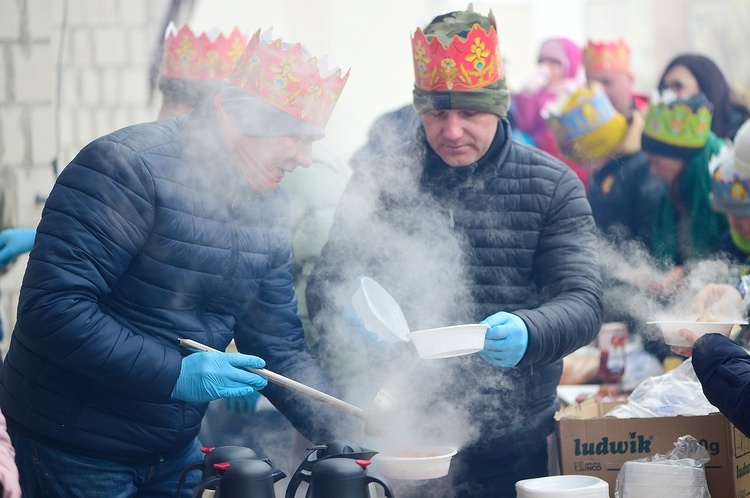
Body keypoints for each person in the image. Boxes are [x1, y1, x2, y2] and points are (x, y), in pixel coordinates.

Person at [0, 27, 358, 497]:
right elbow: (54, 309)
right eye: (297, 137)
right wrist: (175, 373)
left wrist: (347, 434)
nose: (307, 159)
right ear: (243, 119)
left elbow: (278, 346)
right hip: (74, 450)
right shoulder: (126, 166)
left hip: (173, 453)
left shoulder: (270, 205)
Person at [307, 8, 603, 497]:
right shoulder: (382, 179)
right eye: (437, 113)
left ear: (500, 106)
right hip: (404, 430)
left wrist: (530, 331)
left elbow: (583, 301)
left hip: (514, 437)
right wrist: (348, 305)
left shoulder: (551, 185)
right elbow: (325, 284)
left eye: (470, 112)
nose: (451, 130)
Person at [642, 92, 728, 292]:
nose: (652, 170)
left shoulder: (722, 189)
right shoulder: (673, 192)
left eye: (657, 162)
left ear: (685, 160)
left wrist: (687, 272)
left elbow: (731, 257)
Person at [511, 36, 589, 187]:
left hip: (572, 163)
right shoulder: (536, 93)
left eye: (554, 63)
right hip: (541, 160)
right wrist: (527, 94)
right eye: (542, 62)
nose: (546, 68)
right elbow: (525, 125)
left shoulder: (578, 92)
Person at [658, 54, 750, 140]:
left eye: (678, 86)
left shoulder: (741, 134)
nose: (669, 96)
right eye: (665, 88)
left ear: (707, 87)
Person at [582, 39, 648, 118]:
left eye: (606, 82)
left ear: (630, 81)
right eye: (591, 84)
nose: (597, 91)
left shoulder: (651, 119)